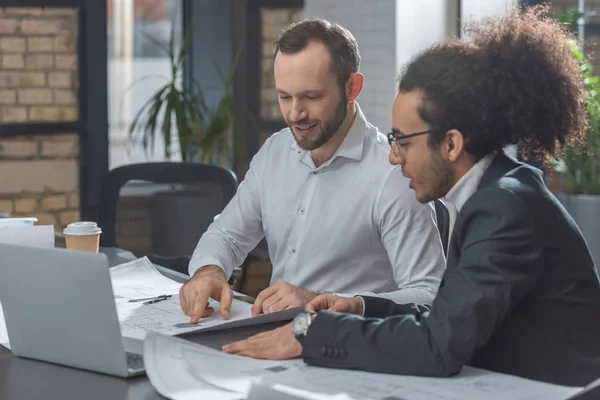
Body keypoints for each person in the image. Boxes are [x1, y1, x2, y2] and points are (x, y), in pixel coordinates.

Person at [222, 7, 600, 387]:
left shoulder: (505, 209)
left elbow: (438, 346)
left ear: (451, 144)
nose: (392, 155)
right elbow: (446, 315)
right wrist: (358, 306)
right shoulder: (497, 193)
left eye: (402, 140)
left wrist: (309, 334)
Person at [179, 19, 446, 323]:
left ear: (352, 88)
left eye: (311, 96)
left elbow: (429, 294)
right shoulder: (274, 153)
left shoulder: (394, 174)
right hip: (274, 340)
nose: (295, 113)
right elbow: (227, 235)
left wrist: (326, 303)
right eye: (284, 96)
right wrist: (208, 270)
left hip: (352, 350)